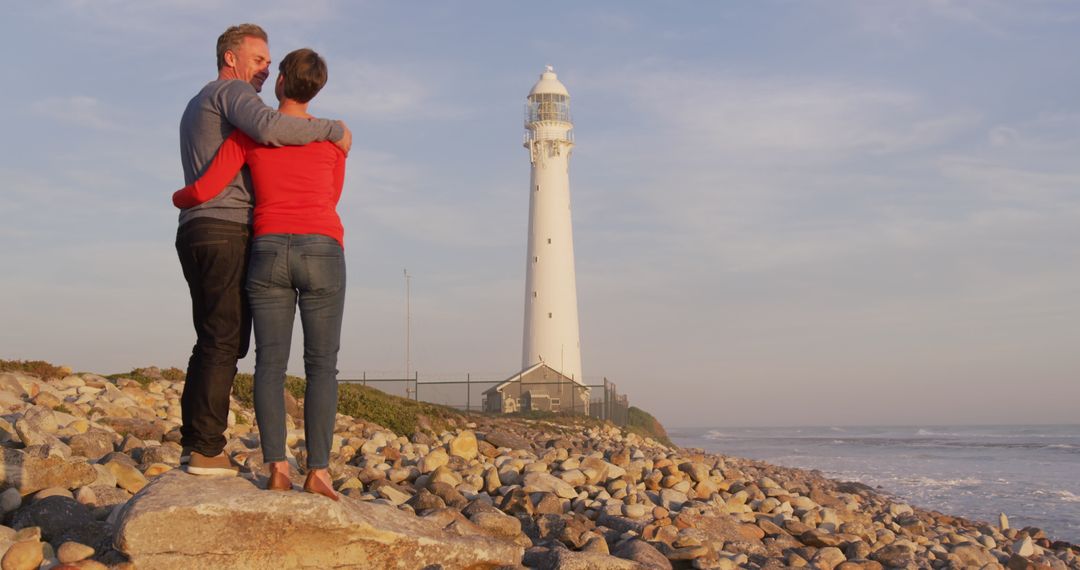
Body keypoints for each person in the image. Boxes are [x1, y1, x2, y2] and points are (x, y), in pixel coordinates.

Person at [176, 23, 351, 477]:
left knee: (249, 355)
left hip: (232, 236)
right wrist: (333, 130)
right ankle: (315, 469)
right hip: (261, 235)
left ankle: (259, 461)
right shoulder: (240, 103)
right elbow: (323, 184)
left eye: (270, 66)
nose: (263, 70)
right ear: (231, 59)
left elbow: (209, 180)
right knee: (301, 361)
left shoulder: (210, 111)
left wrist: (183, 198)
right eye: (258, 59)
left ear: (281, 81)